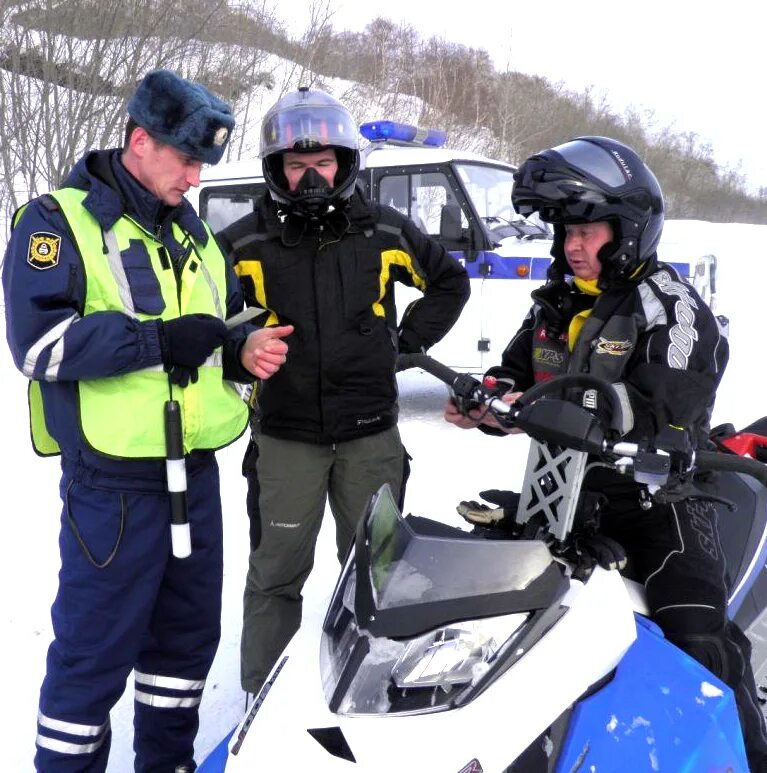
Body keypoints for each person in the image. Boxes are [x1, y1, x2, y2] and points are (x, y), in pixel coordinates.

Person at [444, 135, 767, 769]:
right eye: (566, 229)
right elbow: (516, 376)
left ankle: (746, 754)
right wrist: (488, 402)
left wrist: (582, 413)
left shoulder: (673, 308)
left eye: (588, 229)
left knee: (699, 634)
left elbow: (663, 407)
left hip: (658, 500)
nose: (573, 245)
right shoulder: (554, 305)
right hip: (559, 493)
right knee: (502, 627)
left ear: (630, 229)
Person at [2, 69, 293, 772]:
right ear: (139, 140)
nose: (195, 176)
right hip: (113, 491)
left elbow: (211, 329)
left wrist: (238, 347)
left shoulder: (193, 232)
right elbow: (38, 346)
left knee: (183, 650)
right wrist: (160, 341)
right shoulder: (56, 220)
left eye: (202, 163)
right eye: (186, 158)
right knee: (92, 657)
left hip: (192, 477)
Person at [219, 86, 470, 697]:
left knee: (377, 573)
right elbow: (212, 324)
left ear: (344, 163)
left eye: (322, 162)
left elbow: (448, 281)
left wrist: (404, 343)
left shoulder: (382, 230)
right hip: (286, 440)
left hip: (370, 438)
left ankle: (377, 691)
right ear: (276, 169)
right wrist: (241, 350)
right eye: (297, 165)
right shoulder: (244, 242)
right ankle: (264, 696)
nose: (310, 177)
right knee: (275, 576)